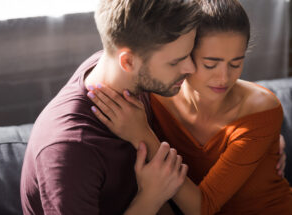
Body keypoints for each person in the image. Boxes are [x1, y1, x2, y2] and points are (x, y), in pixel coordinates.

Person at [87, 0, 292, 214]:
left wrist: (142, 135)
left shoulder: (261, 110)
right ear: (184, 54)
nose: (224, 78)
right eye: (210, 64)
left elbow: (202, 208)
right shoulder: (154, 97)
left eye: (236, 63)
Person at [20, 0, 201, 214]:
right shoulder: (69, 150)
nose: (191, 67)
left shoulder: (111, 68)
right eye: (175, 62)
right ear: (128, 62)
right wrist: (151, 197)